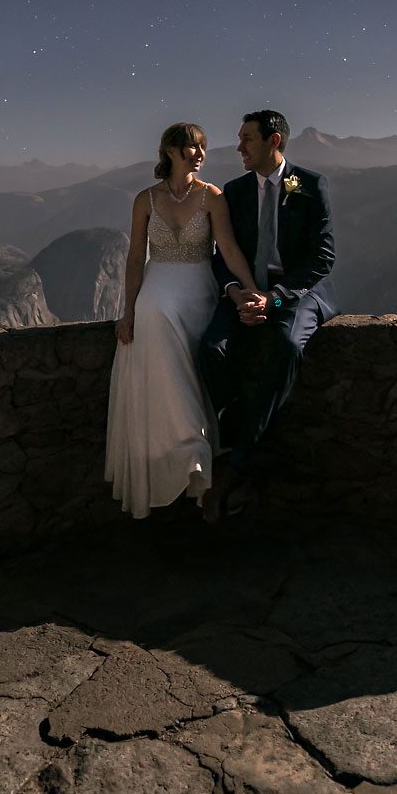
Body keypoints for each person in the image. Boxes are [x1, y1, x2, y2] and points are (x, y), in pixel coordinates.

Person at [104, 122, 261, 519]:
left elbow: (226, 247)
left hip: (198, 289)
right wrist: (126, 312)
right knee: (153, 317)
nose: (200, 154)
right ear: (171, 151)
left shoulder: (212, 197)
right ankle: (189, 452)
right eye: (192, 147)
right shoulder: (145, 200)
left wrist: (250, 286)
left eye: (203, 147)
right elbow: (136, 258)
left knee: (195, 368)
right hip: (158, 287)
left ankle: (199, 465)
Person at [198, 109, 336, 521]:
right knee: (211, 349)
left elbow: (322, 258)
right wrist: (238, 293)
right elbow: (221, 255)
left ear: (273, 142)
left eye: (247, 139)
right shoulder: (234, 191)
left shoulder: (308, 185)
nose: (238, 146)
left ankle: (238, 458)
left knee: (286, 344)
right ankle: (243, 424)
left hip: (297, 293)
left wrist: (274, 298)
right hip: (244, 293)